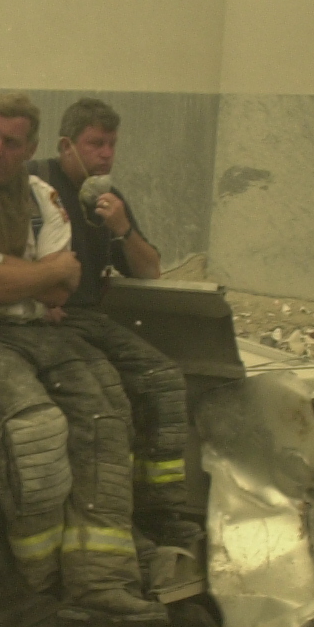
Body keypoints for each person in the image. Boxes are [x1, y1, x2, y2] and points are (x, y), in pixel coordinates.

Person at [0, 93, 165, 625]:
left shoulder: (44, 197)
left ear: (30, 149)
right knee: (35, 430)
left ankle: (101, 580)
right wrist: (30, 272)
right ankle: (44, 583)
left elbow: (62, 288)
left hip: (35, 328)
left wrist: (4, 267)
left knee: (106, 417)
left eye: (10, 143)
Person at [28, 97, 201, 549]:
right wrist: (34, 298)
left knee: (164, 380)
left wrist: (123, 228)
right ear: (66, 146)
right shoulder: (33, 185)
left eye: (112, 145)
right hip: (43, 323)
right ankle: (114, 520)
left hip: (90, 320)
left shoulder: (107, 199)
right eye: (95, 144)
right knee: (110, 401)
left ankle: (160, 510)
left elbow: (149, 270)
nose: (106, 154)